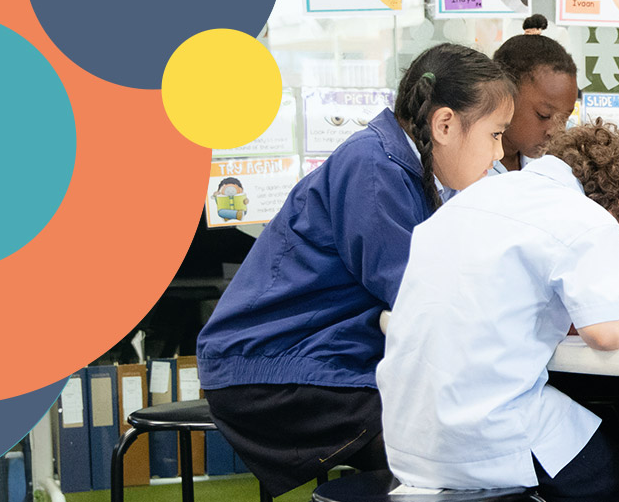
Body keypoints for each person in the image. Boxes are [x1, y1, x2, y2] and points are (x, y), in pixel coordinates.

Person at [196, 43, 516, 496]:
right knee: (454, 447)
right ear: (444, 125)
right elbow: (420, 294)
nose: (499, 153)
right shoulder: (374, 167)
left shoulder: (406, 167)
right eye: (495, 134)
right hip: (276, 374)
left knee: (471, 428)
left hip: (319, 361)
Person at [377, 122, 619, 502]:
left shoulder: (478, 196)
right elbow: (605, 333)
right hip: (484, 434)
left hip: (406, 433)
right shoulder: (591, 221)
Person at [490, 33, 619, 469]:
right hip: (494, 403)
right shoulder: (563, 207)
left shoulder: (530, 180)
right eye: (543, 114)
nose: (555, 128)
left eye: (565, 117)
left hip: (469, 390)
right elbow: (605, 333)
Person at [491, 33, 578, 174]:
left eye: (564, 119)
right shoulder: (468, 168)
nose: (555, 131)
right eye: (544, 115)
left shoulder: (552, 166)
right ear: (504, 96)